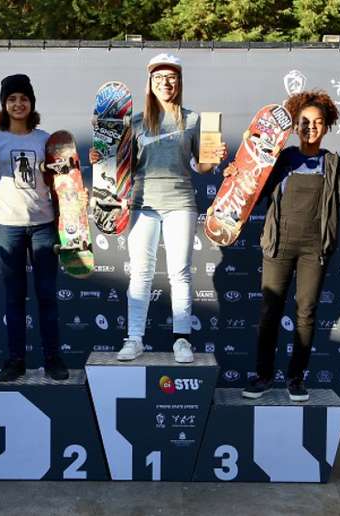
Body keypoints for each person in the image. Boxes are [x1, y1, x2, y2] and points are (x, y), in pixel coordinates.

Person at [240, 90, 340, 401]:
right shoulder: (280, 158)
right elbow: (251, 192)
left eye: (317, 122)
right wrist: (240, 171)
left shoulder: (334, 163)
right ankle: (262, 376)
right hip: (278, 244)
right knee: (269, 312)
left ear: (326, 126)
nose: (310, 127)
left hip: (314, 249)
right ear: (294, 125)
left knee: (306, 313)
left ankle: (295, 378)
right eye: (303, 121)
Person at [90, 53, 227, 363]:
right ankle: (134, 339)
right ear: (149, 83)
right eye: (159, 78)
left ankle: (182, 340)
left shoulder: (193, 120)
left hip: (180, 202)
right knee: (140, 273)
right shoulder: (135, 122)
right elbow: (119, 166)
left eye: (171, 77)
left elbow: (202, 166)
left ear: (179, 82)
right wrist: (101, 159)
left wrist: (214, 156)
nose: (166, 83)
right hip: (142, 203)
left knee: (179, 273)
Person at [0, 74, 68, 382]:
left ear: (31, 103)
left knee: (47, 295)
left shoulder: (46, 139)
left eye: (23, 98)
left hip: (43, 225)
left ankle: (52, 359)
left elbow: (59, 184)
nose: (18, 104)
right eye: (12, 99)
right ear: (4, 104)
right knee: (14, 297)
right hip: (7, 226)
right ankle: (15, 361)